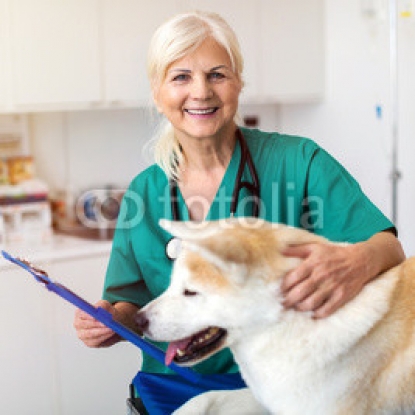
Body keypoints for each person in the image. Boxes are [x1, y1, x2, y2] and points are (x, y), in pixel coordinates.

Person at [74, 7, 405, 401]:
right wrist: (111, 321)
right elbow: (132, 304)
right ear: (157, 93)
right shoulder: (144, 193)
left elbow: (387, 247)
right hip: (177, 382)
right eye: (181, 76)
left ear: (238, 83)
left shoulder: (299, 162)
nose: (201, 91)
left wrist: (356, 262)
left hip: (292, 380)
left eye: (217, 74)